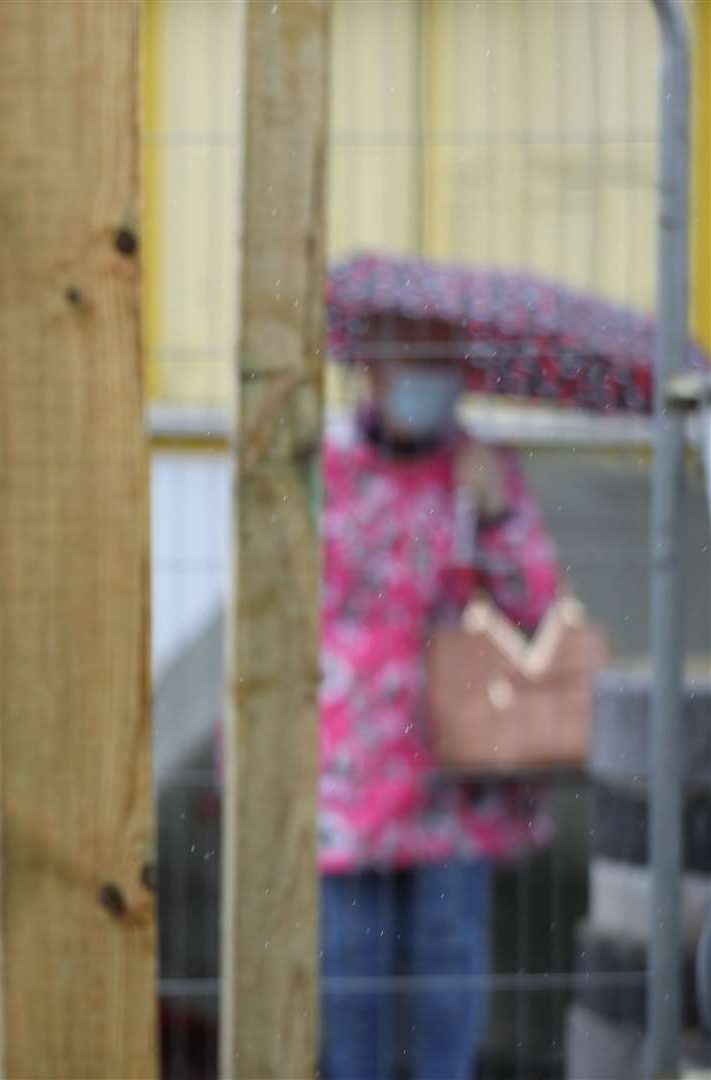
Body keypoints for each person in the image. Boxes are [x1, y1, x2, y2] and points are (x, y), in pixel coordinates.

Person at [319, 327, 561, 1079]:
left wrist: (495, 515)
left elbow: (539, 610)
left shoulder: (484, 470)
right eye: (411, 360)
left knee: (448, 977)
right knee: (348, 981)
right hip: (346, 771)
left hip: (457, 773)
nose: (429, 380)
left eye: (442, 364)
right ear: (372, 368)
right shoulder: (321, 468)